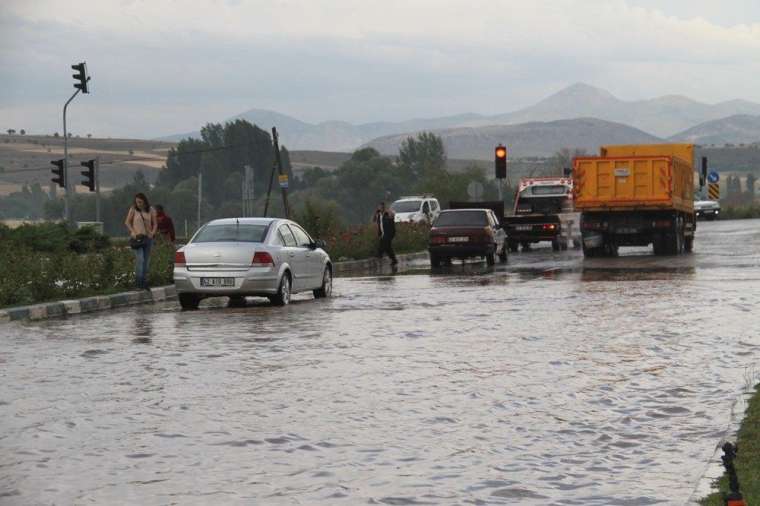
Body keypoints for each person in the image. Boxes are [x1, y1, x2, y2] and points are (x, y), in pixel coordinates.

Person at [124, 193, 157, 289]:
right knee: (140, 260)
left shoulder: (151, 210)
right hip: (137, 238)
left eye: (140, 202)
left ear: (144, 201)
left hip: (148, 238)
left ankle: (144, 282)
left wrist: (153, 232)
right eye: (137, 202)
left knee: (146, 262)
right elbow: (127, 222)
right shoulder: (133, 209)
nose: (138, 204)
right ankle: (138, 283)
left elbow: (155, 224)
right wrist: (133, 231)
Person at [373, 201, 397, 266]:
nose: (380, 208)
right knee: (388, 248)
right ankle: (394, 260)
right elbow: (374, 220)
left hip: (390, 233)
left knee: (383, 243)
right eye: (379, 207)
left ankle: (379, 255)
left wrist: (388, 210)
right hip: (383, 233)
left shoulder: (387, 214)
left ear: (384, 207)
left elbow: (392, 215)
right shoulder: (378, 215)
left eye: (382, 206)